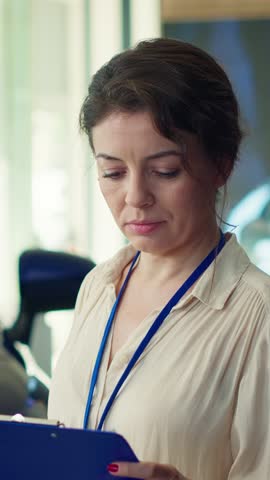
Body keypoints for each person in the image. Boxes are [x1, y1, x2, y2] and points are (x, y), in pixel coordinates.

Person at [48, 38, 270, 479]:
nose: (134, 197)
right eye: (112, 172)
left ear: (221, 165)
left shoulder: (258, 320)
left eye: (165, 170)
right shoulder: (98, 285)